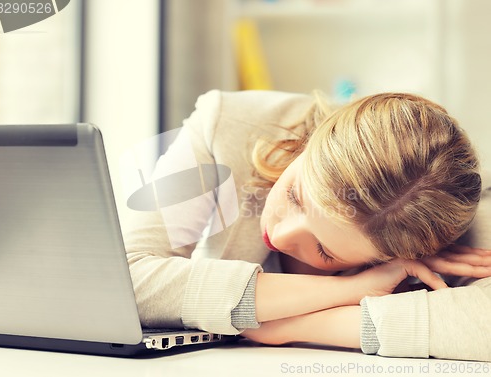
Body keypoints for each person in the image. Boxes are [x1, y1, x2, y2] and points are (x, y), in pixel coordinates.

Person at [123, 90, 491, 362]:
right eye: (296, 195)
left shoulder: (450, 207)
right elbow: (126, 278)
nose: (280, 234)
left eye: (324, 251)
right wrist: (352, 288)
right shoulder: (227, 125)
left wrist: (290, 327)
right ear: (314, 140)